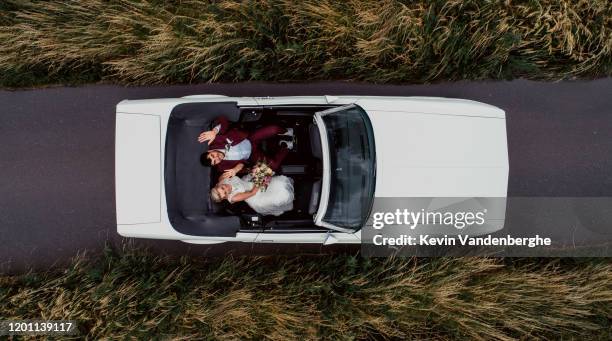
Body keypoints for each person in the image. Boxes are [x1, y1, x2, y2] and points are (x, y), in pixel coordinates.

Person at [198, 116, 294, 180]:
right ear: (215, 165)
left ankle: (286, 131)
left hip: (250, 139)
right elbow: (243, 167)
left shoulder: (215, 141)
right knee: (273, 166)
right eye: (215, 161)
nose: (217, 158)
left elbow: (223, 120)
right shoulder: (222, 168)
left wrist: (214, 131)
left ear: (210, 150)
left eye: (213, 155)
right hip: (252, 155)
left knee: (274, 129)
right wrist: (236, 169)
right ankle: (285, 146)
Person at [210, 174, 294, 216]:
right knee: (282, 195)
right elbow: (252, 193)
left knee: (279, 182)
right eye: (225, 193)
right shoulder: (234, 198)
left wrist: (236, 169)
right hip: (256, 196)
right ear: (225, 197)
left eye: (223, 188)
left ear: (218, 185)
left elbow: (236, 171)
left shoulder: (222, 179)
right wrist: (261, 177)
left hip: (248, 181)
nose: (226, 189)